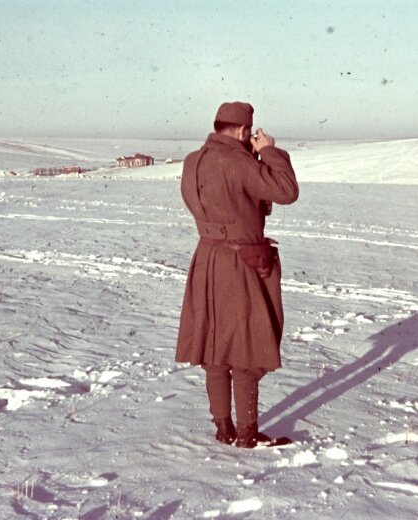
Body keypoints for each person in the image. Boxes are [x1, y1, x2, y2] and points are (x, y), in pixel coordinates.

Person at [176, 101, 299, 448]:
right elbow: (287, 191)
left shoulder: (191, 161)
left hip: (207, 259)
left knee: (215, 349)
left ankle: (222, 427)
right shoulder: (240, 162)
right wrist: (271, 153)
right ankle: (246, 433)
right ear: (245, 132)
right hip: (242, 263)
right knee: (247, 347)